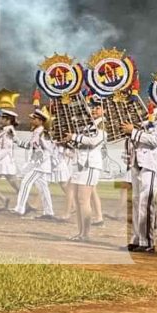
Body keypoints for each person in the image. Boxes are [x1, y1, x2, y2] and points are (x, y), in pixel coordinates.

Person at [121, 113, 157, 253]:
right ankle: (136, 238)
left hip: (151, 163)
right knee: (136, 202)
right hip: (137, 161)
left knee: (145, 204)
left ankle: (147, 241)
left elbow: (156, 140)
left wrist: (133, 131)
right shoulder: (145, 114)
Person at [63, 101, 107, 241]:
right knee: (77, 199)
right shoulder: (89, 125)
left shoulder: (102, 124)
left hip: (90, 165)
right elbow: (81, 144)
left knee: (83, 199)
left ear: (105, 110)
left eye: (98, 107)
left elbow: (94, 141)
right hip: (79, 163)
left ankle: (86, 234)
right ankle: (81, 232)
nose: (94, 110)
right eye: (92, 107)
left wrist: (75, 137)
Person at [13, 108, 55, 219]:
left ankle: (19, 209)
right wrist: (17, 141)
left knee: (26, 183)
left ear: (41, 121)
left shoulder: (42, 133)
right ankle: (49, 212)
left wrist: (35, 162)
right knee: (43, 188)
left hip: (40, 165)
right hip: (40, 164)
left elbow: (47, 149)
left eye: (34, 119)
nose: (32, 120)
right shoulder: (37, 132)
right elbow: (30, 146)